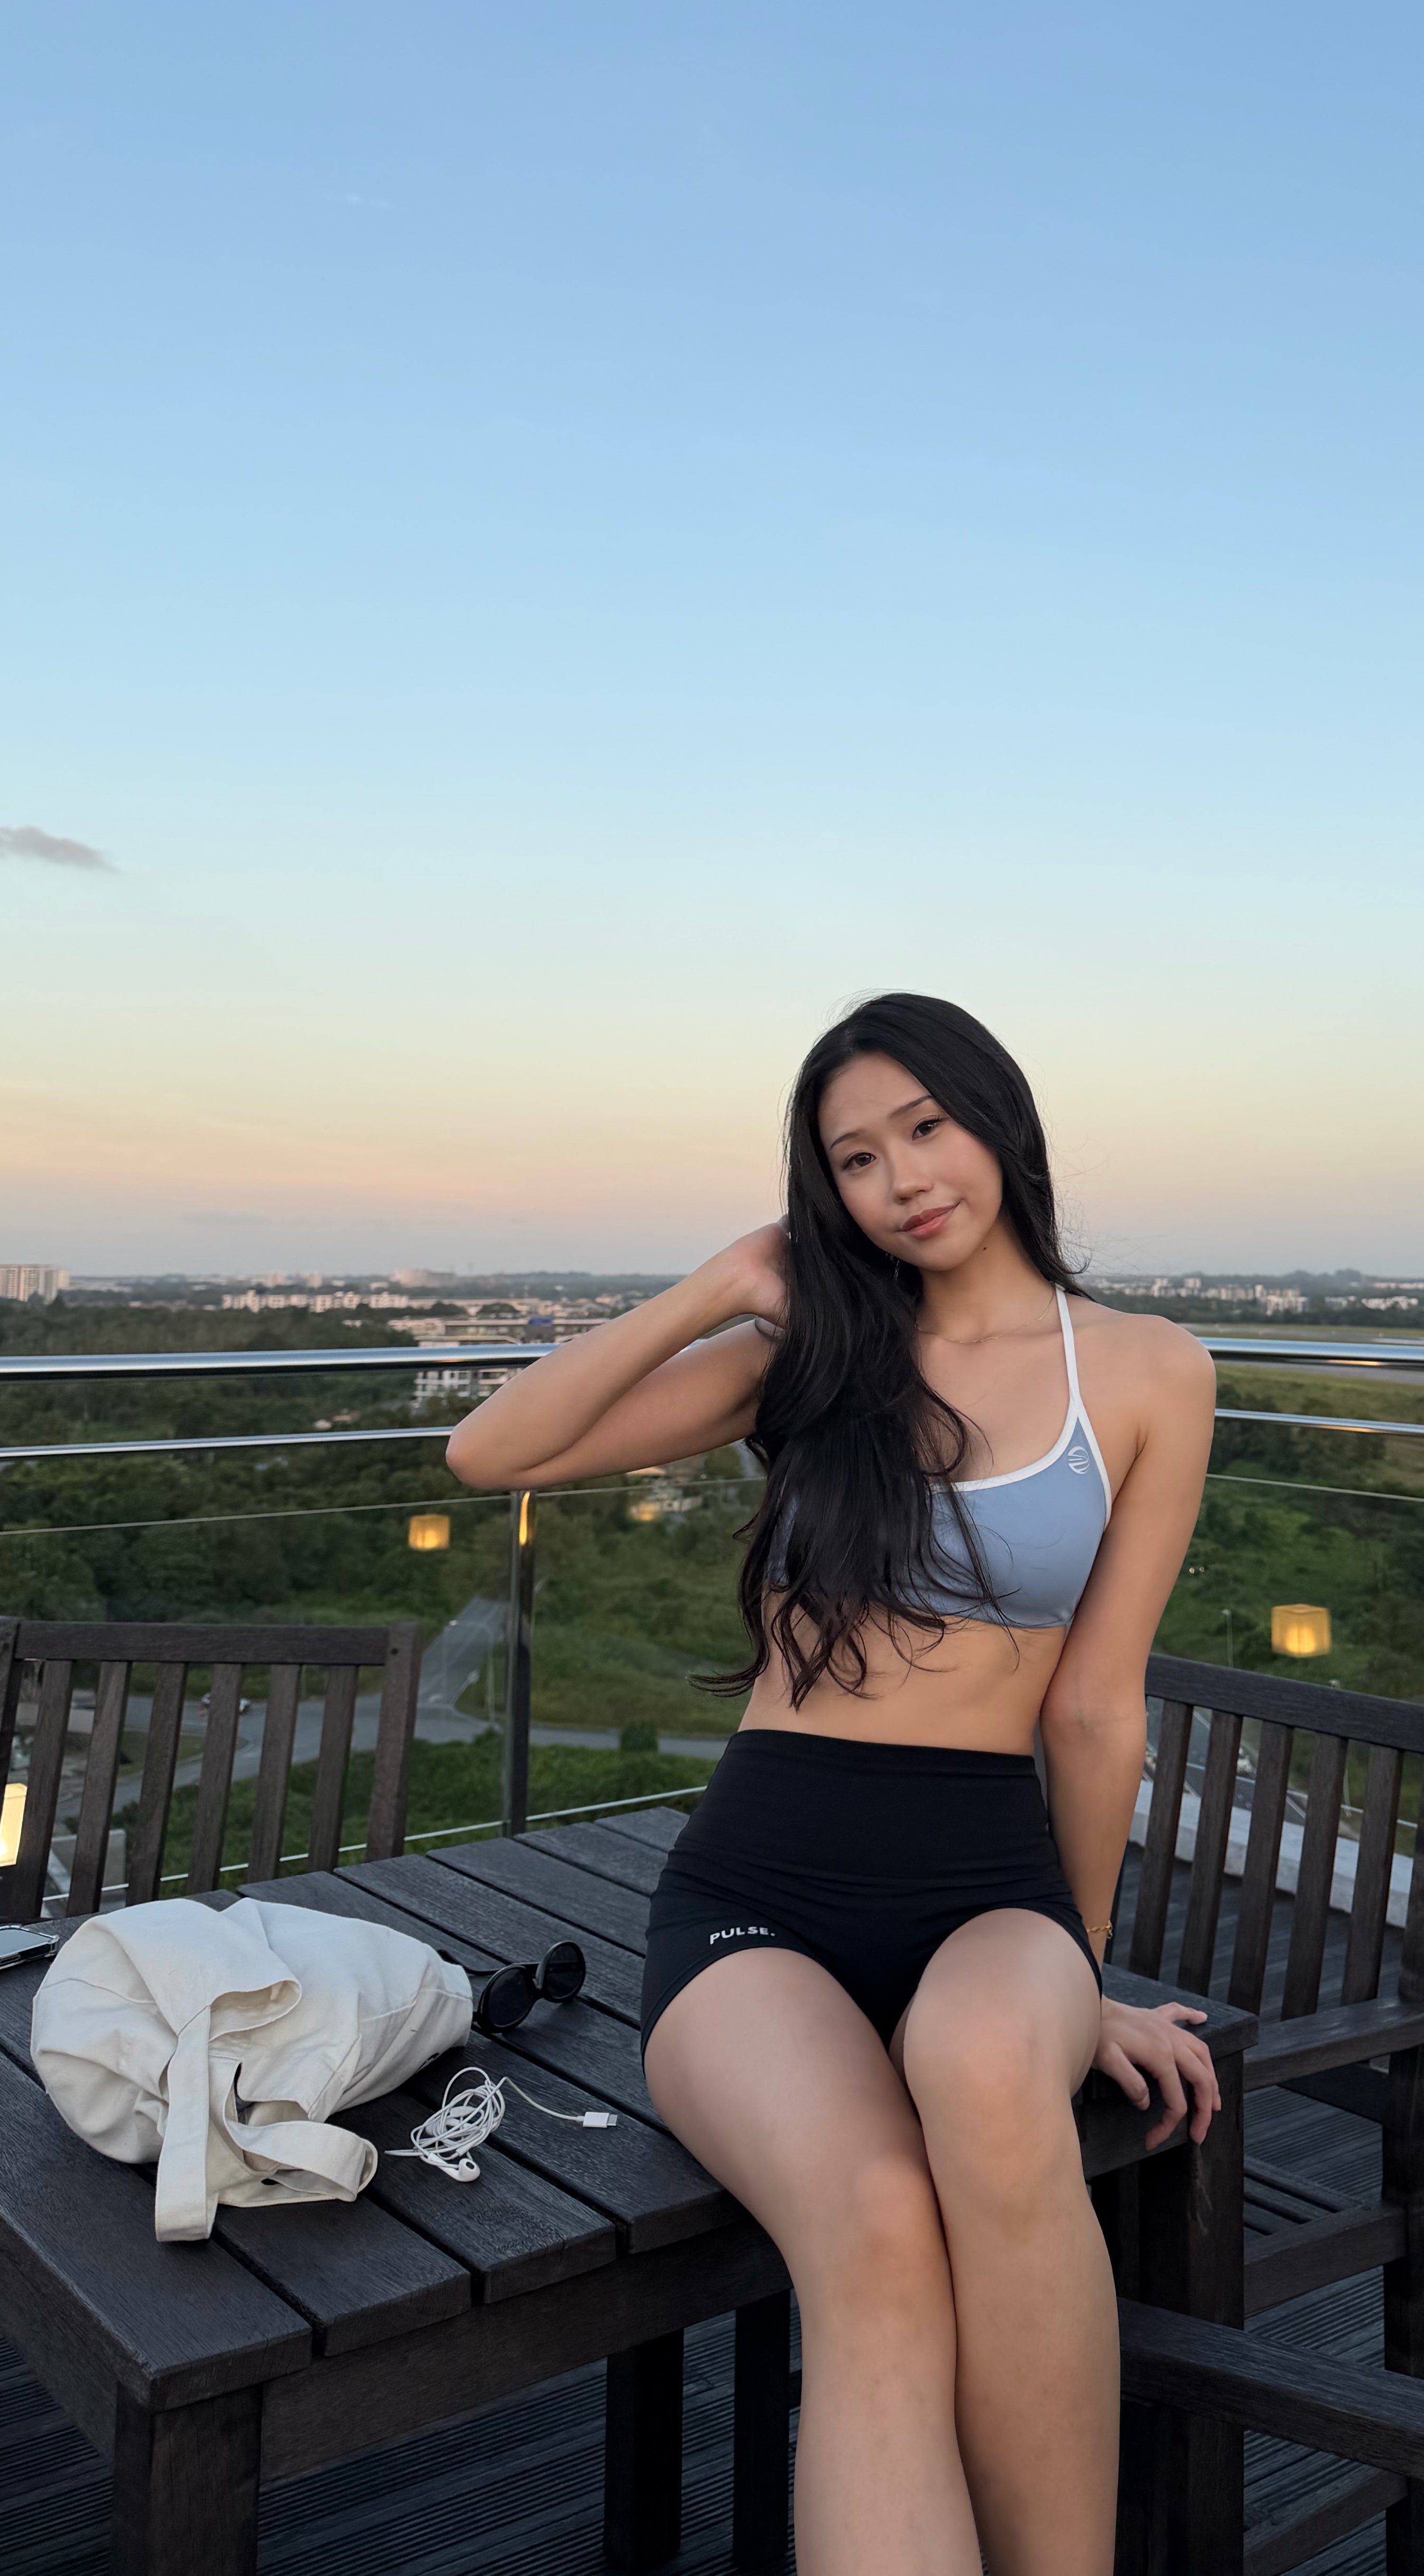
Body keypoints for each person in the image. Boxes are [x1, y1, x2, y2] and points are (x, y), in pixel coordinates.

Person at [447, 993, 1218, 2573]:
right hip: (759, 1895)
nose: (902, 1178)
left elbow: (1094, 1710)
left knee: (992, 2075)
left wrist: (1075, 1984)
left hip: (988, 1889)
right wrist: (721, 1286)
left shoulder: (1147, 1371)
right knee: (874, 2227)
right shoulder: (806, 1359)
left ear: (999, 1119)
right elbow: (492, 1453)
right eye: (855, 1158)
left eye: (925, 1128)